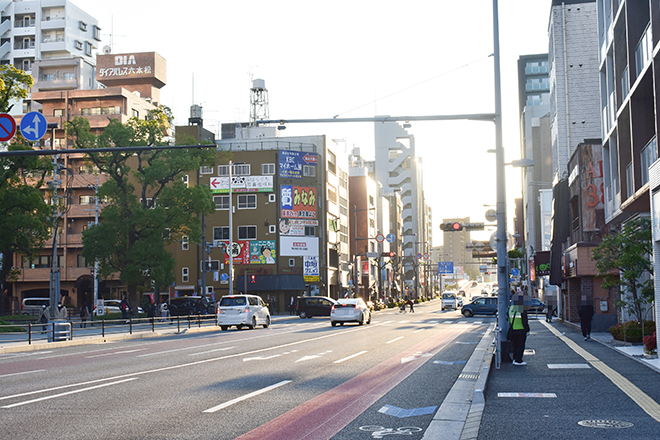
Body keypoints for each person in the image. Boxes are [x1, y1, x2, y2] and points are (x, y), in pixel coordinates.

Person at [508, 294, 530, 366]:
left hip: (513, 329)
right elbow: (524, 321)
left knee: (515, 345)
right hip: (521, 330)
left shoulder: (511, 308)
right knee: (520, 345)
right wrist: (527, 329)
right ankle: (518, 360)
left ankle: (515, 358)